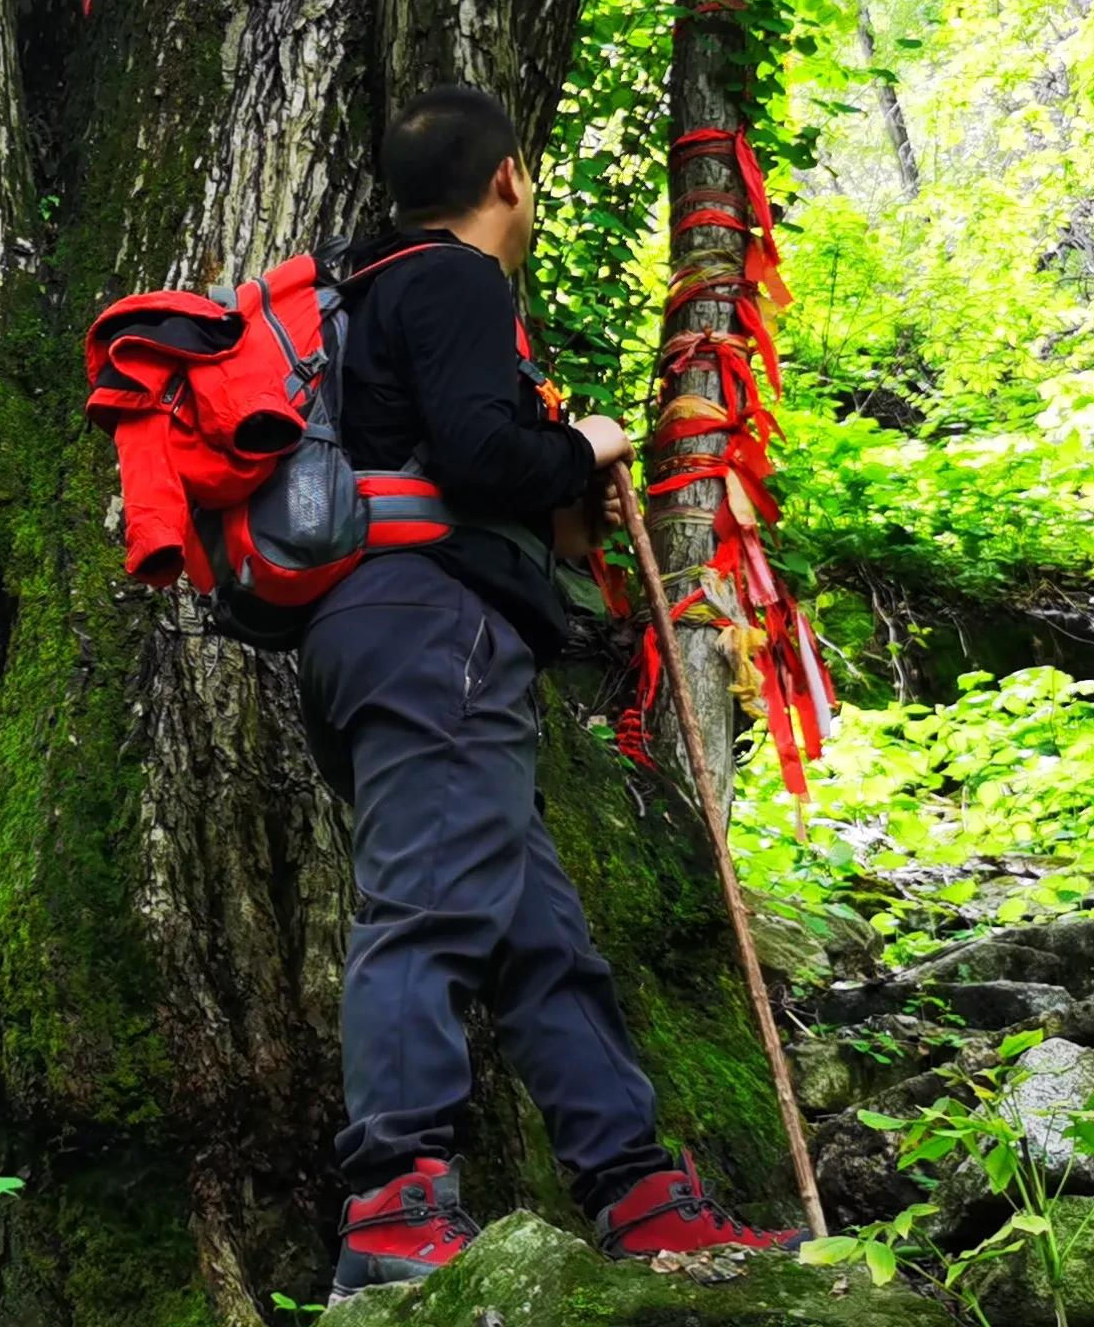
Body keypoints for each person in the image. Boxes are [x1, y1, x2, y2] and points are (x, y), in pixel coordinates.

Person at [303, 85, 796, 1298]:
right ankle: (396, 1213)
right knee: (425, 907)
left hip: (390, 633)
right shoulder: (458, 281)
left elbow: (451, 458)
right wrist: (589, 447)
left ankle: (637, 1192)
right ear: (511, 179)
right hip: (432, 634)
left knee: (537, 937)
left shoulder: (368, 295)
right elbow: (478, 453)